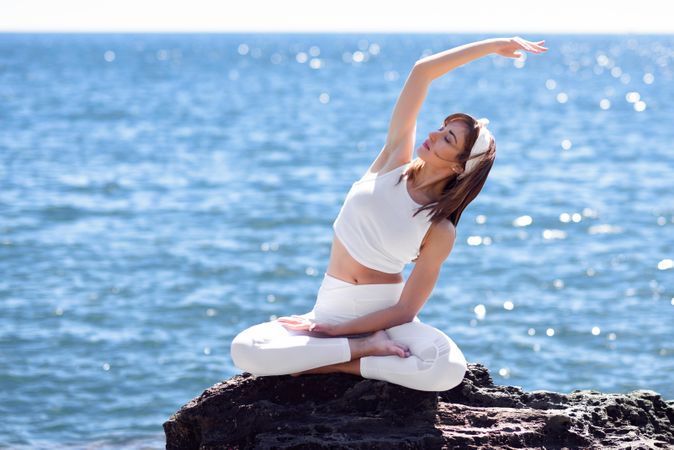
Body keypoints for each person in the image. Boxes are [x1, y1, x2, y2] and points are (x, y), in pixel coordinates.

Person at [230, 37, 548, 392]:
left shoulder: (439, 229)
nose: (433, 135)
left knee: (446, 368)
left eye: (447, 139)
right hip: (328, 309)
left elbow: (405, 312)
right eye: (442, 129)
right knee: (246, 350)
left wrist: (338, 333)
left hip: (386, 318)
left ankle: (339, 360)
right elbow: (422, 73)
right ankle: (361, 354)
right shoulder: (393, 161)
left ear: (461, 167)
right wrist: (492, 46)